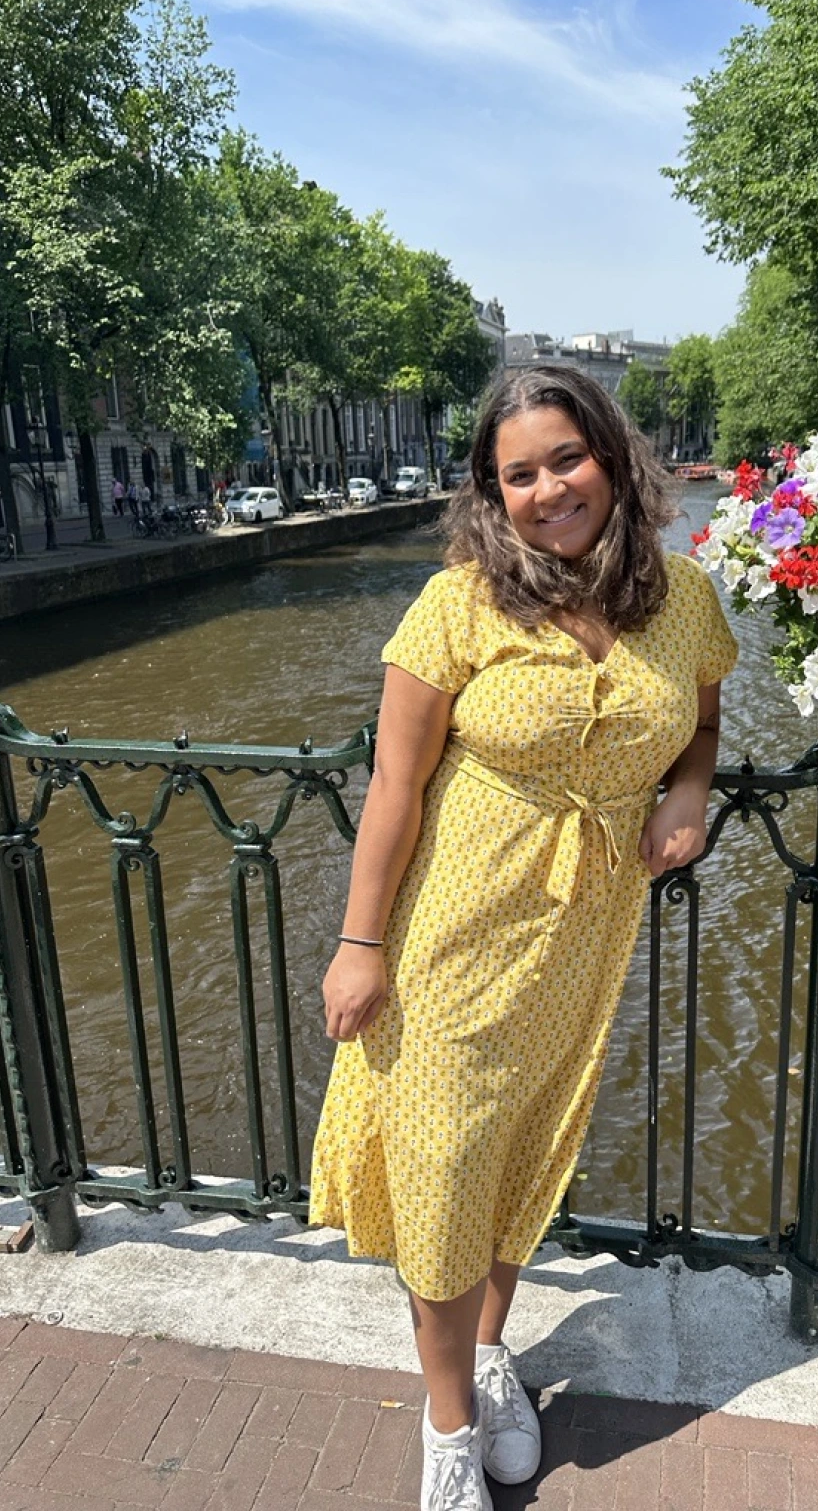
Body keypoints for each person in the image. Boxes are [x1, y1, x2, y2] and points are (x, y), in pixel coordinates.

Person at [310, 364, 738, 1511]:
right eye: (520, 473)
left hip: (585, 934)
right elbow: (395, 784)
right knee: (446, 1172)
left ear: (611, 453)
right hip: (454, 927)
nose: (550, 487)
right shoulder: (459, 603)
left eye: (567, 457)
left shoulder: (683, 594)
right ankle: (447, 1423)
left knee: (522, 1156)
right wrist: (361, 942)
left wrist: (689, 793)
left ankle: (490, 1357)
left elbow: (698, 721)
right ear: (491, 495)